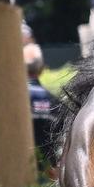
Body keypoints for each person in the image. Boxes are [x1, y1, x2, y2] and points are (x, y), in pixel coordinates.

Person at [24, 43, 58, 171]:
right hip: (49, 170)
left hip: (21, 167)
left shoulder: (12, 101)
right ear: (42, 69)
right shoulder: (53, 99)